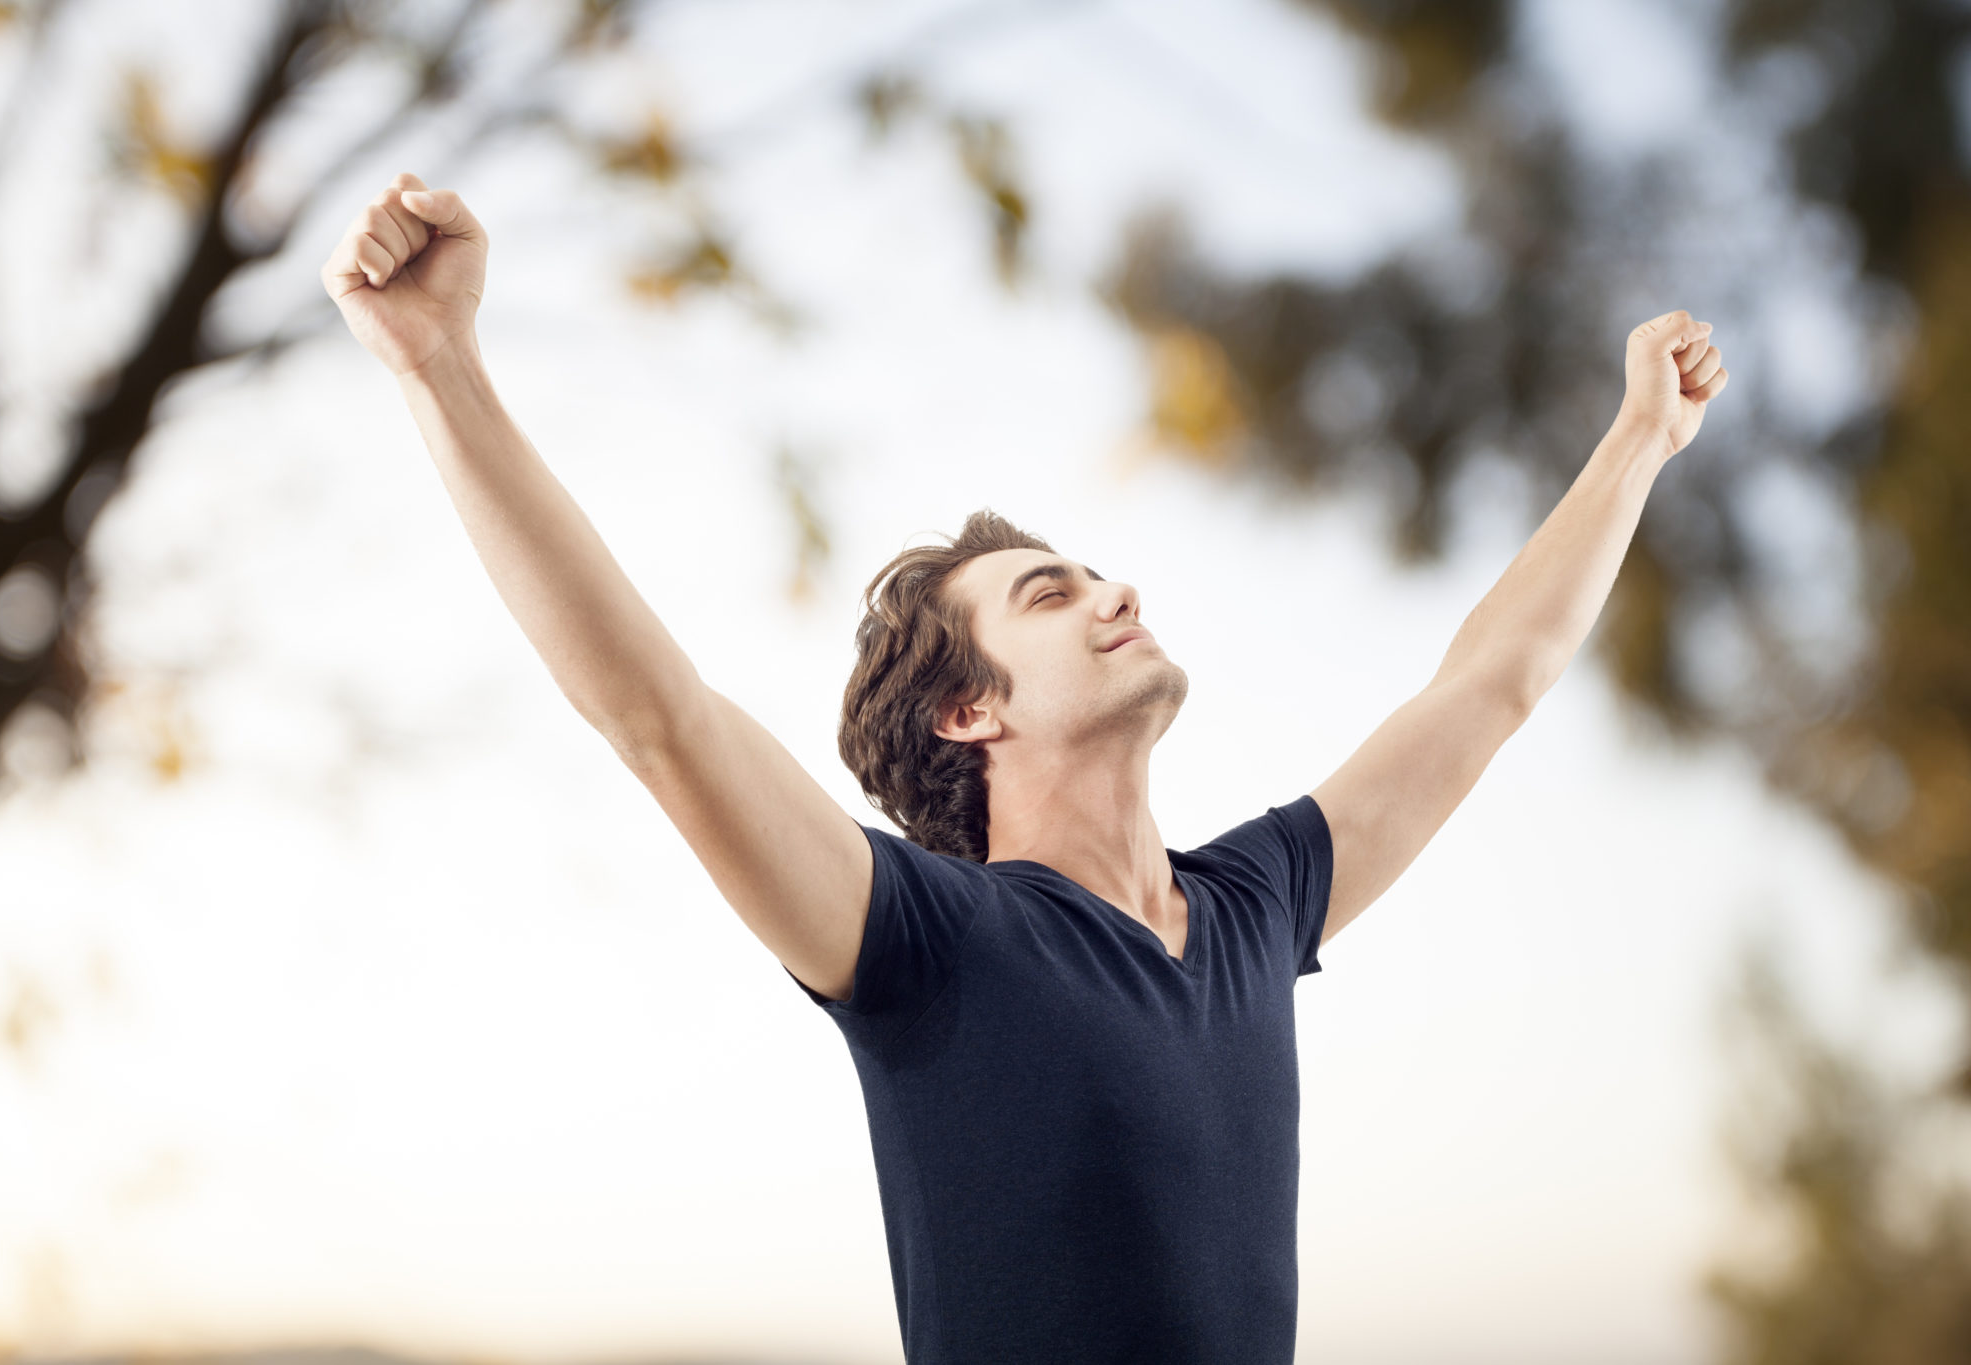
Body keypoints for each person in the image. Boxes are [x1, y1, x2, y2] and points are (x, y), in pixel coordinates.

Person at [323, 172, 1730, 1363]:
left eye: (1098, 573)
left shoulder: (1254, 906)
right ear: (965, 711)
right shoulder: (935, 945)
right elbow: (659, 715)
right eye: (1052, 594)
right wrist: (439, 363)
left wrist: (1638, 442)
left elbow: (1493, 684)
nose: (1117, 592)